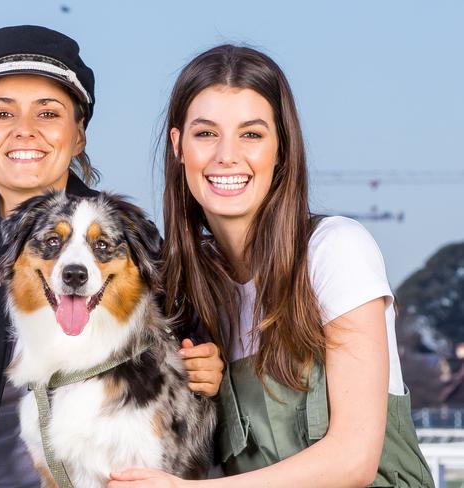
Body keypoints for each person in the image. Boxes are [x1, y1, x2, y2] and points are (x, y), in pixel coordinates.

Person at [0, 26, 223, 488]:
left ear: (78, 135)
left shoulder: (131, 238)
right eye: (1, 113)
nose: (25, 131)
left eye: (48, 112)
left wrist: (204, 364)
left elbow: (188, 347)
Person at [109, 45, 434, 487]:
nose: (227, 155)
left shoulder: (335, 250)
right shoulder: (187, 290)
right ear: (177, 146)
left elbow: (353, 460)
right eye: (205, 134)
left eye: (251, 134)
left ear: (282, 147)